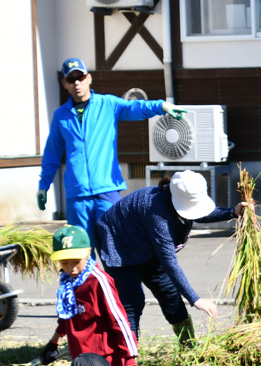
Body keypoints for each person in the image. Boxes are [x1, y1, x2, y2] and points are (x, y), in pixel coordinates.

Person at [37, 57, 185, 253]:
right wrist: (43, 186)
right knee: (80, 253)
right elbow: (51, 154)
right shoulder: (60, 115)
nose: (77, 83)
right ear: (64, 84)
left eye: (80, 77)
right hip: (77, 194)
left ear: (89, 78)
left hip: (107, 188)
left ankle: (117, 285)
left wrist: (161, 106)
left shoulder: (108, 104)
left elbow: (135, 108)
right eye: (71, 80)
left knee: (114, 250)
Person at [96, 171, 238, 343]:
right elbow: (169, 262)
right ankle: (129, 361)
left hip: (146, 246)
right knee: (132, 303)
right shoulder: (157, 212)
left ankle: (189, 346)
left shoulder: (176, 199)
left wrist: (233, 212)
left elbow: (198, 213)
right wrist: (195, 299)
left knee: (170, 294)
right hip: (118, 246)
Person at [39, 226, 143, 366]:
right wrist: (54, 342)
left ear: (88, 252)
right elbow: (66, 314)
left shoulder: (98, 281)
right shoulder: (68, 282)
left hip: (105, 363)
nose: (72, 268)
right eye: (65, 262)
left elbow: (119, 321)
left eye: (76, 261)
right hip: (81, 364)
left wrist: (131, 364)